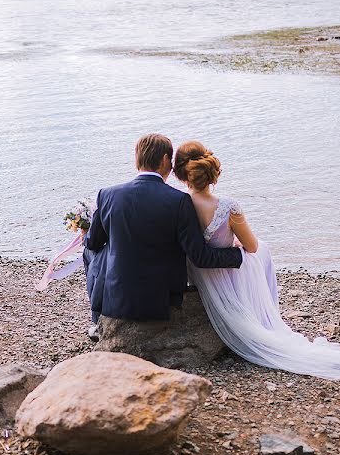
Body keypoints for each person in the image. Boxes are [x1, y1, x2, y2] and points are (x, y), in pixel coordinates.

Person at [174, 140, 340, 389]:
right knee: (262, 250)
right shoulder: (228, 207)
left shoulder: (180, 205)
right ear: (212, 172)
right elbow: (251, 247)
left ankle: (263, 313)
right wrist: (233, 243)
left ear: (182, 173)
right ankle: (266, 313)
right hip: (224, 271)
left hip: (199, 274)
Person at [83, 134, 243, 329]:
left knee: (90, 250)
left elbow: (93, 243)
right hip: (162, 299)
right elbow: (200, 257)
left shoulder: (107, 194)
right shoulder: (179, 201)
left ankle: (97, 318)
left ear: (137, 159)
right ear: (165, 160)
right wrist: (238, 255)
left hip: (117, 296)